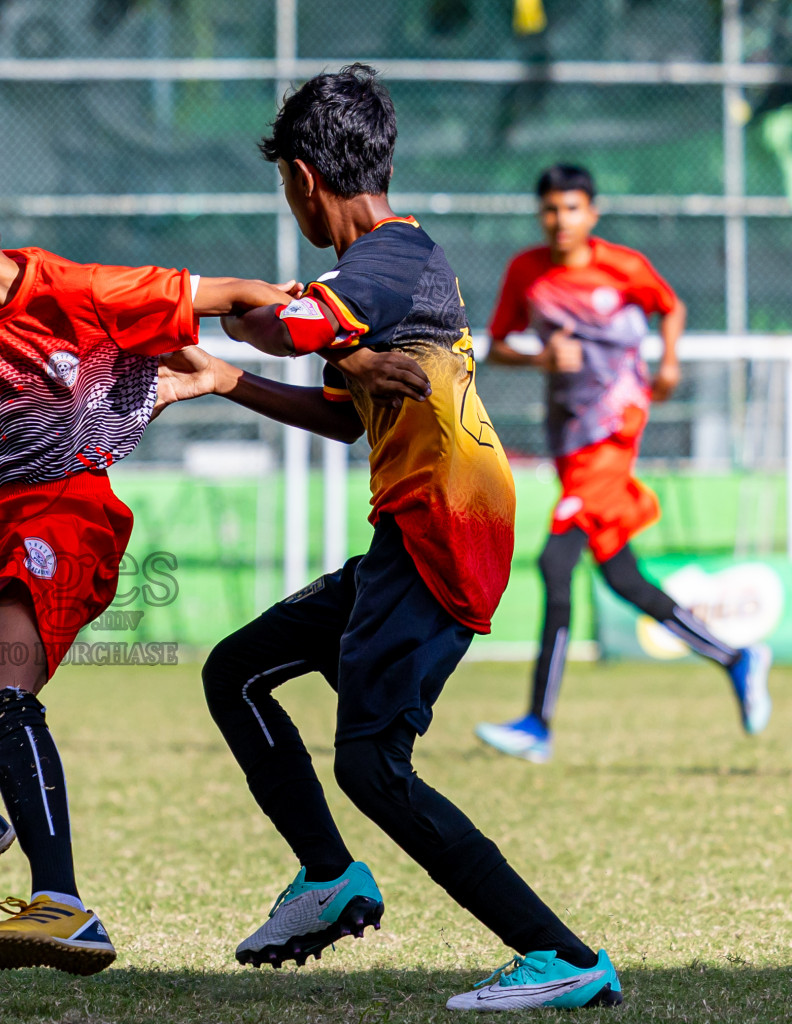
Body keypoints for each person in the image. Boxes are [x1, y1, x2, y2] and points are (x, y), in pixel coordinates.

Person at [0, 151, 421, 975]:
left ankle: (64, 904)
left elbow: (243, 296)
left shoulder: (78, 291)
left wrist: (354, 357)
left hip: (70, 515)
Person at [156, 66, 623, 1010]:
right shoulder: (388, 275)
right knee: (234, 672)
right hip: (407, 540)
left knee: (371, 765)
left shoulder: (387, 261)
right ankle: (330, 879)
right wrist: (223, 382)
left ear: (301, 176)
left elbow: (292, 325)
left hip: (441, 540)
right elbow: (340, 412)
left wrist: (186, 307)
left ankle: (560, 955)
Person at [474, 164, 771, 764]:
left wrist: (669, 364)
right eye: (552, 210)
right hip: (570, 438)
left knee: (557, 560)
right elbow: (496, 346)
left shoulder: (625, 267)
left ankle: (537, 723)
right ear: (541, 214)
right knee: (622, 578)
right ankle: (737, 658)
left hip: (615, 432)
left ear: (593, 212)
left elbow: (671, 307)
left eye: (573, 208)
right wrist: (539, 359)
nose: (562, 221)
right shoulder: (526, 272)